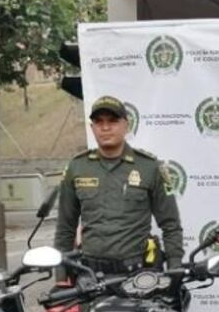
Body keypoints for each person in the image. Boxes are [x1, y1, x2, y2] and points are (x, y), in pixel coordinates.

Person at [53, 96, 183, 273]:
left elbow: (171, 225)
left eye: (113, 121)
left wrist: (175, 268)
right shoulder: (77, 167)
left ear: (126, 126)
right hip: (91, 275)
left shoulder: (150, 167)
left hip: (139, 274)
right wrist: (62, 274)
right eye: (99, 122)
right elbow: (65, 228)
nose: (105, 128)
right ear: (92, 128)